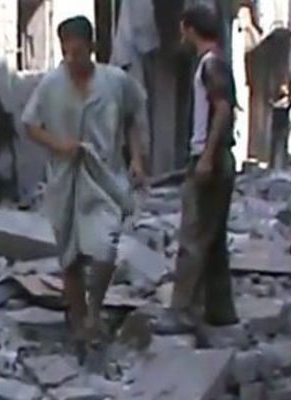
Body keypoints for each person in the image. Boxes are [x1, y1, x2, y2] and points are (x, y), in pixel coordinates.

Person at [21, 15, 148, 358]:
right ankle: (80, 321)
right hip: (65, 179)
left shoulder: (115, 81)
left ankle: (95, 308)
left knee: (105, 247)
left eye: (78, 51)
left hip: (105, 176)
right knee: (71, 255)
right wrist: (58, 144)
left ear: (92, 47)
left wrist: (137, 159)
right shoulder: (51, 84)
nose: (72, 59)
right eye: (66, 52)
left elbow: (136, 115)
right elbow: (30, 125)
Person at [162, 5, 238, 332]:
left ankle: (182, 311)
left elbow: (221, 109)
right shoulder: (215, 63)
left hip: (211, 159)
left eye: (183, 28)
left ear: (190, 28)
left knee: (192, 236)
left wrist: (206, 156)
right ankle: (220, 310)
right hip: (218, 159)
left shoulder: (210, 65)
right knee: (213, 239)